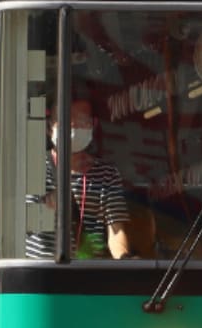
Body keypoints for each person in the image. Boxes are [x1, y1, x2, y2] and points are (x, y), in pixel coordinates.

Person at [26, 98, 133, 260]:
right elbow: (21, 225)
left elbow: (116, 231)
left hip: (87, 274)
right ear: (50, 127)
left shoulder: (107, 173)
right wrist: (45, 206)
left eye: (82, 121)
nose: (74, 127)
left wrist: (125, 259)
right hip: (44, 274)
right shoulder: (34, 167)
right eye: (66, 121)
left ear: (93, 125)